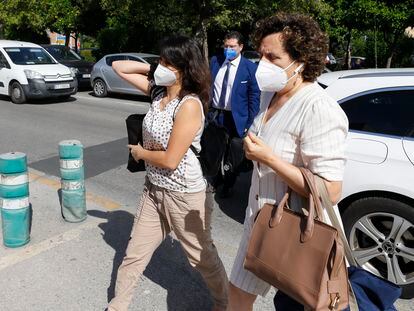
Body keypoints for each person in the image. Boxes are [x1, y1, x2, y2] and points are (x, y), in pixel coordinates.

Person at [226, 13, 349, 310]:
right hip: (259, 218)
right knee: (237, 294)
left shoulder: (319, 108)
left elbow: (330, 190)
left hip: (298, 230)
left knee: (303, 301)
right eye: (261, 55)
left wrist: (269, 158)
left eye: (274, 57)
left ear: (302, 62)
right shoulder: (272, 94)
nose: (263, 64)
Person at [108, 35, 228, 311]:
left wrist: (140, 153)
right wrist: (154, 67)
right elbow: (119, 68)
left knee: (201, 257)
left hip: (184, 195)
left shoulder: (189, 105)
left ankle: (225, 302)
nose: (159, 66)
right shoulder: (157, 92)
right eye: (159, 61)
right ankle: (117, 306)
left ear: (184, 68)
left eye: (166, 62)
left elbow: (171, 159)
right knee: (133, 255)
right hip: (154, 190)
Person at [210, 31, 260, 198]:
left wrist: (250, 123)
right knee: (216, 149)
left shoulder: (250, 68)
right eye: (226, 46)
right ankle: (216, 179)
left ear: (241, 47)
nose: (228, 50)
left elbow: (254, 98)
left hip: (238, 119)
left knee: (234, 153)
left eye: (232, 47)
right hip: (217, 115)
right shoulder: (215, 62)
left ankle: (229, 183)